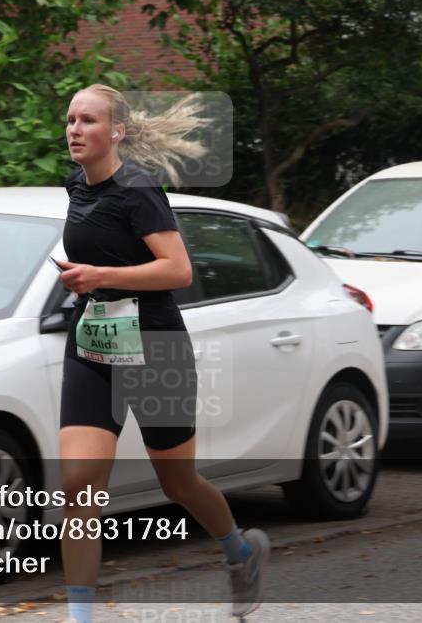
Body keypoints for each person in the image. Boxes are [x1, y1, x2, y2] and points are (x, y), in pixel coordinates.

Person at [53, 84, 270, 623]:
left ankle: (240, 552)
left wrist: (103, 274)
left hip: (155, 346)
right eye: (70, 120)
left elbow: (178, 270)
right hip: (96, 341)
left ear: (116, 132)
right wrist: (85, 283)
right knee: (79, 482)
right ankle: (81, 617)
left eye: (88, 121)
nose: (75, 130)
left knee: (178, 482)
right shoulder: (76, 186)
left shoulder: (138, 189)